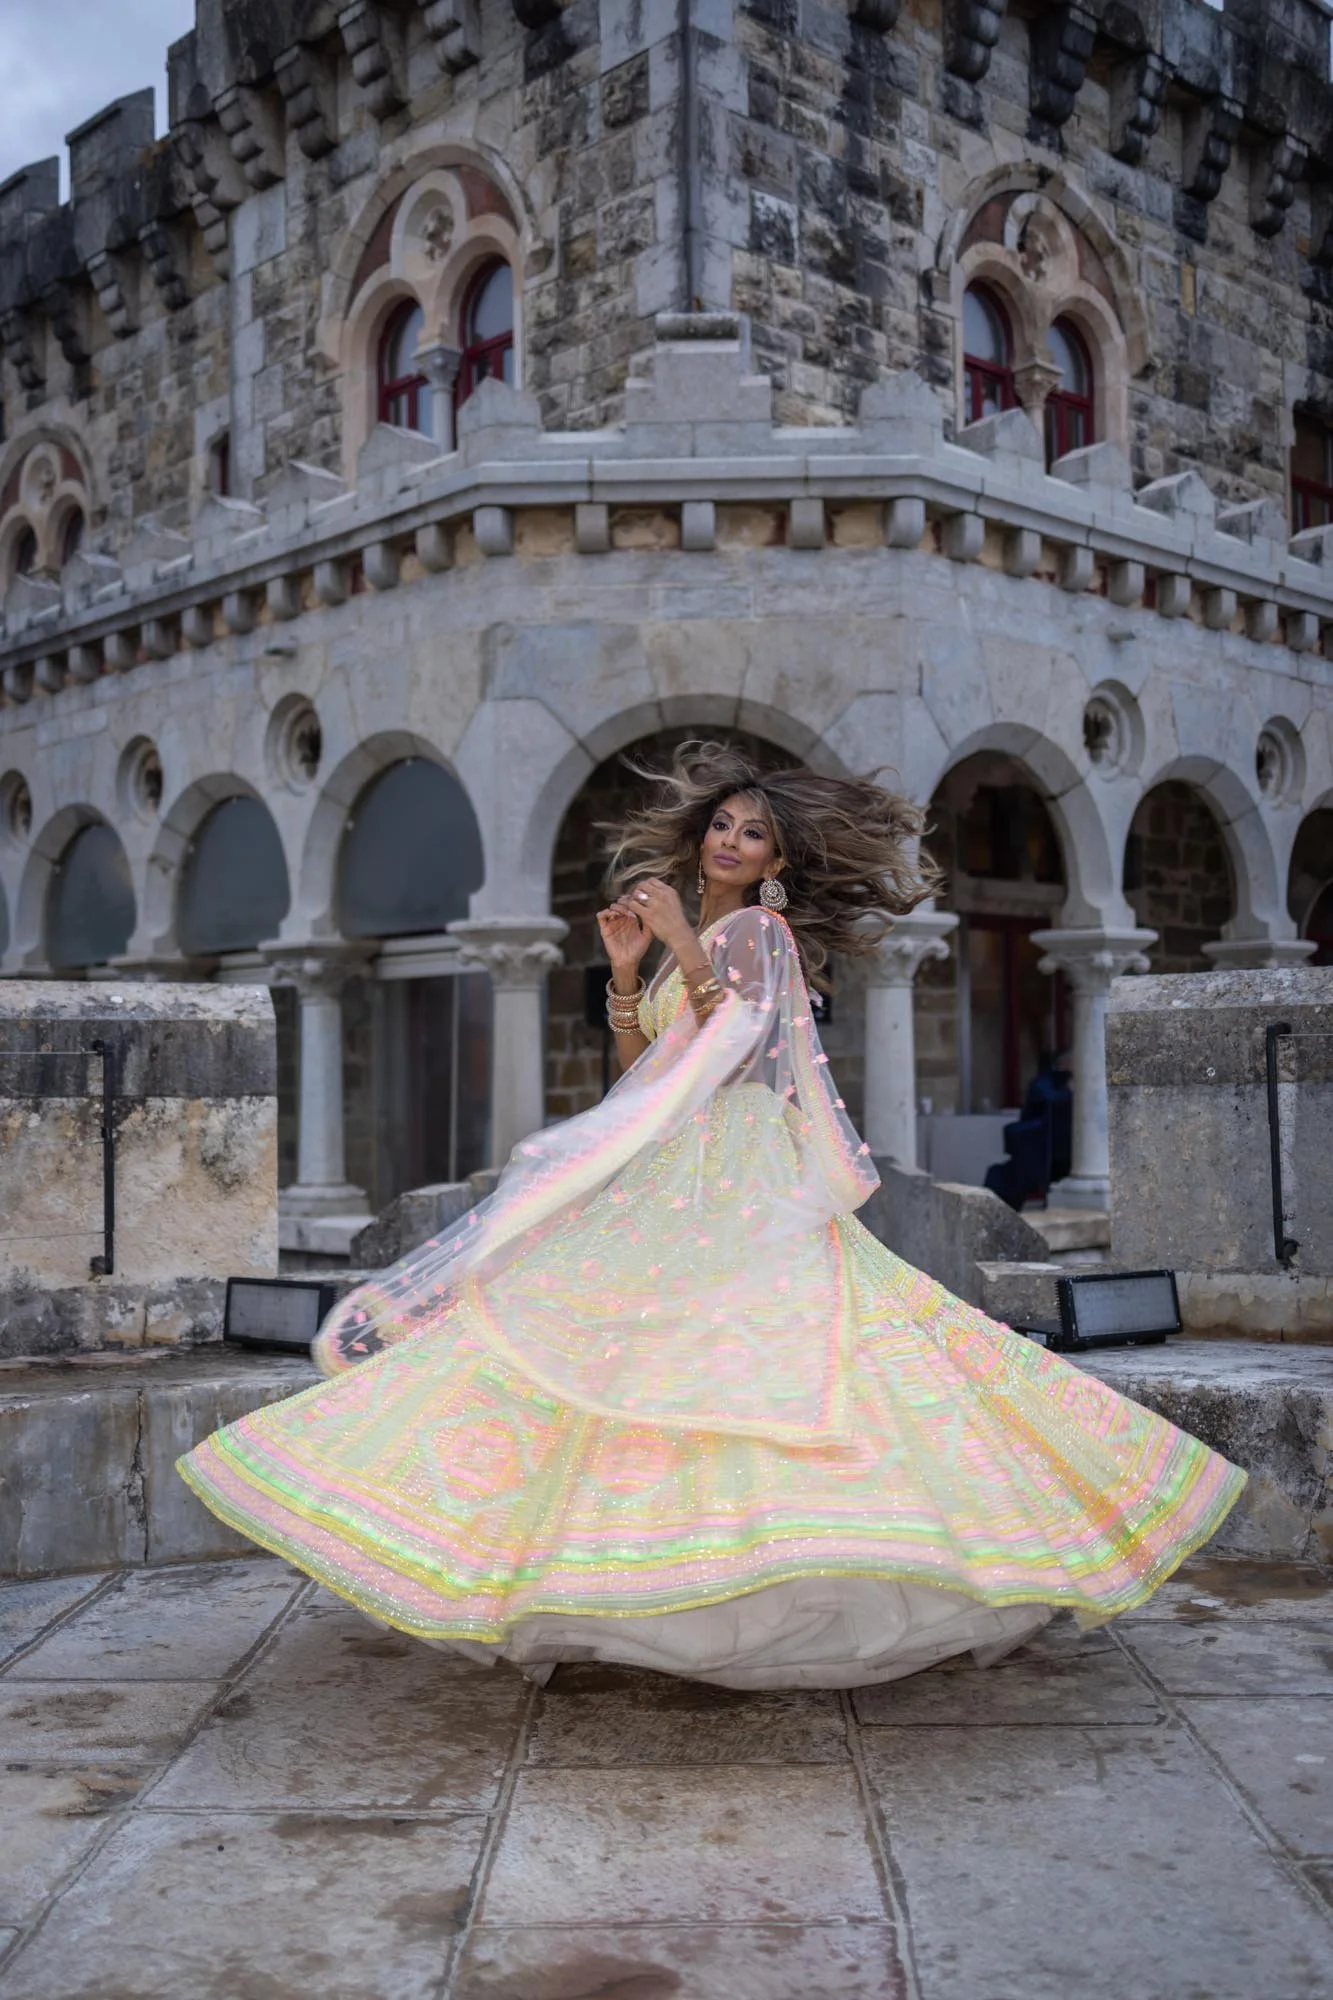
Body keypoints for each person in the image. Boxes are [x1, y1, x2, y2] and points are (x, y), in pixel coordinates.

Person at [179, 742, 1245, 1689]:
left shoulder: (763, 933)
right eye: (725, 825)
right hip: (673, 1163)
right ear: (704, 835)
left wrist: (681, 935)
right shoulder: (701, 930)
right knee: (617, 1350)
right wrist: (624, 971)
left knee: (769, 1349)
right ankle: (609, 1578)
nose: (735, 841)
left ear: (776, 861)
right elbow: (647, 1070)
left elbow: (731, 1031)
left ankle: (804, 1569)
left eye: (755, 834)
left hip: (737, 1165)